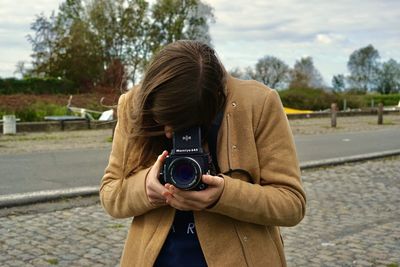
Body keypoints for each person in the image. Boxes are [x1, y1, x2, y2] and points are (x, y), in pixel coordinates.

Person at [100, 40, 306, 267]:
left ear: (214, 105)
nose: (169, 133)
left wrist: (224, 195)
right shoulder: (134, 105)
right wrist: (146, 187)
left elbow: (291, 204)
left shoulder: (259, 103)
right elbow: (110, 194)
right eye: (163, 121)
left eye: (183, 125)